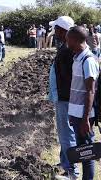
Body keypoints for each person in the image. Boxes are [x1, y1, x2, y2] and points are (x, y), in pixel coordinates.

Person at [67, 26, 100, 180]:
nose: (66, 42)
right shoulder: (78, 57)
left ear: (75, 40)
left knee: (87, 152)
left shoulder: (88, 60)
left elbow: (90, 91)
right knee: (82, 149)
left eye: (68, 39)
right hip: (76, 111)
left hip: (84, 115)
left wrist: (86, 119)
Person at [48, 16, 79, 179]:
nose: (54, 32)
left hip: (66, 98)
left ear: (63, 30)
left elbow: (70, 78)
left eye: (56, 29)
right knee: (64, 132)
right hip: (64, 96)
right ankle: (65, 162)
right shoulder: (67, 47)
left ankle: (71, 172)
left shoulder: (68, 50)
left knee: (67, 133)